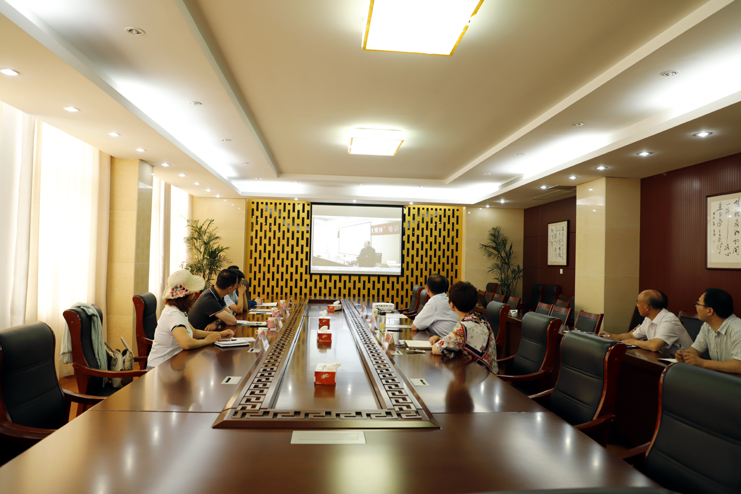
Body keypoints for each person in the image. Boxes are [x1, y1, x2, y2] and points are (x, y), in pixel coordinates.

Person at [147, 270, 234, 369]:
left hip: (174, 363)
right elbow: (186, 343)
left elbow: (194, 332)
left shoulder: (178, 310)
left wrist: (220, 334)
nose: (194, 296)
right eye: (193, 293)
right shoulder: (173, 314)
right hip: (160, 368)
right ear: (186, 296)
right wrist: (207, 341)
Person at [429, 281, 498, 374]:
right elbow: (462, 341)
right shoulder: (481, 319)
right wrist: (441, 339)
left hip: (476, 376)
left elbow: (436, 350)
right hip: (488, 376)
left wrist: (439, 342)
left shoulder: (463, 327)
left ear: (451, 304)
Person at [599, 289, 692, 354]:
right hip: (663, 360)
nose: (637, 305)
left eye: (638, 302)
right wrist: (612, 336)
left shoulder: (669, 320)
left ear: (646, 307)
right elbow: (632, 335)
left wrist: (635, 342)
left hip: (683, 365)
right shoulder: (648, 318)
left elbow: (654, 346)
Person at [676, 288, 741, 374]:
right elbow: (696, 349)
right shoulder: (707, 326)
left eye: (698, 303)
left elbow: (739, 365)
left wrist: (702, 363)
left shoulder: (738, 329)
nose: (696, 307)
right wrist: (685, 355)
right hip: (719, 377)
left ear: (709, 311)